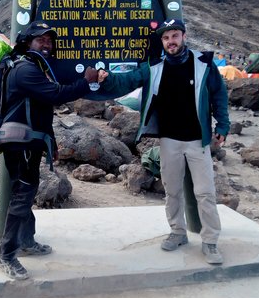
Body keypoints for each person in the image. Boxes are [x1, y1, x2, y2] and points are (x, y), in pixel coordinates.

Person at [98, 18, 230, 265]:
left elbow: (219, 95)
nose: (171, 41)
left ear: (184, 36)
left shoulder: (203, 63)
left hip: (197, 140)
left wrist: (223, 124)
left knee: (205, 192)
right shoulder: (154, 66)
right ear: (162, 41)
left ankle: (211, 241)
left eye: (175, 36)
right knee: (172, 191)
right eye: (166, 38)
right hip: (169, 139)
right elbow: (128, 81)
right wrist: (107, 78)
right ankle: (178, 232)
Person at [0, 21, 99, 280]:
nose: (47, 44)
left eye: (49, 41)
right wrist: (86, 81)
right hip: (19, 144)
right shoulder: (24, 70)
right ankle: (6, 253)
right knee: (22, 195)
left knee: (26, 192)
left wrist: (48, 141)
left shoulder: (34, 68)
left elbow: (41, 109)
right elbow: (55, 94)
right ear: (27, 42)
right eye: (40, 39)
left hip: (29, 142)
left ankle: (26, 241)